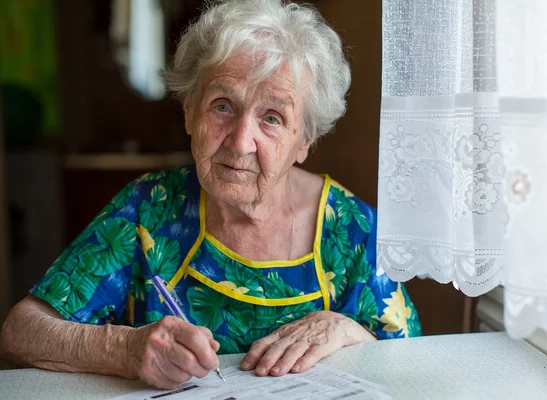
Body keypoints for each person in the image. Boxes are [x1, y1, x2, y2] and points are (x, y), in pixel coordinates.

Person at [0, 0, 421, 390]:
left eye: (272, 118)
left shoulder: (353, 230)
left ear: (304, 140)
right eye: (223, 106)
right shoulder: (148, 210)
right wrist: (123, 350)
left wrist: (349, 332)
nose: (240, 142)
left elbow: (415, 366)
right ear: (189, 111)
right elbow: (21, 332)